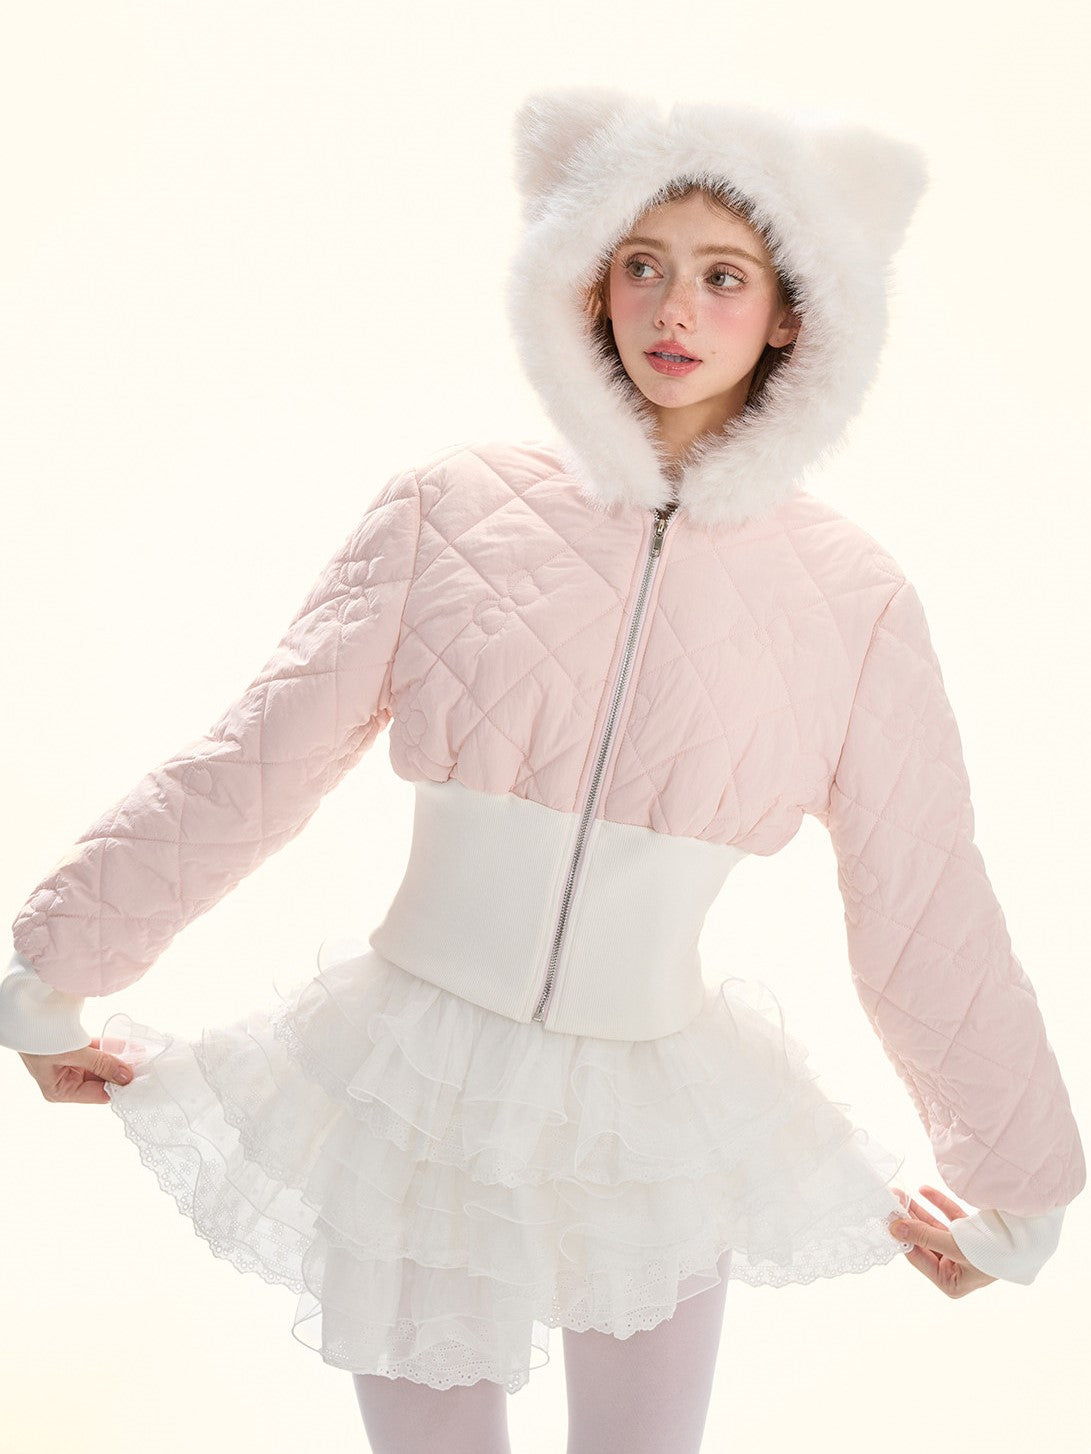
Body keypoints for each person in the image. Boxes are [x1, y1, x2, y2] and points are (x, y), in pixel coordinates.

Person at [1, 85, 1085, 1454]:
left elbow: (922, 894)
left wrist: (1019, 1187)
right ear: (586, 279)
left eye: (722, 276)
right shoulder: (450, 506)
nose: (673, 308)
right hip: (405, 1094)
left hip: (657, 1122)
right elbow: (259, 756)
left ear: (791, 313)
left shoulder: (852, 598)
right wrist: (52, 972)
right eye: (641, 263)